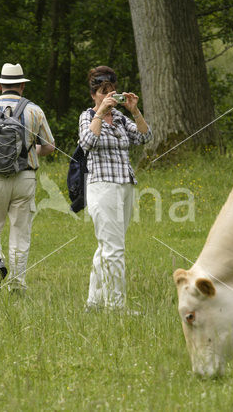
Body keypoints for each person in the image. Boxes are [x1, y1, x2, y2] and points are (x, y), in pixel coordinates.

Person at [0, 63, 55, 295]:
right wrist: (28, 153)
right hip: (25, 177)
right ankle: (17, 286)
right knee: (20, 232)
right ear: (23, 86)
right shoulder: (34, 110)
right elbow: (49, 146)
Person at [78, 66, 152, 312]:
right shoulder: (88, 116)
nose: (108, 96)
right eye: (102, 92)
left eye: (112, 92)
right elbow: (87, 142)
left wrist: (134, 110)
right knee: (114, 249)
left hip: (125, 186)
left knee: (107, 245)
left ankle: (95, 303)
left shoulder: (121, 119)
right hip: (102, 187)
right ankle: (116, 307)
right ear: (93, 95)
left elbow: (144, 137)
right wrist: (100, 111)